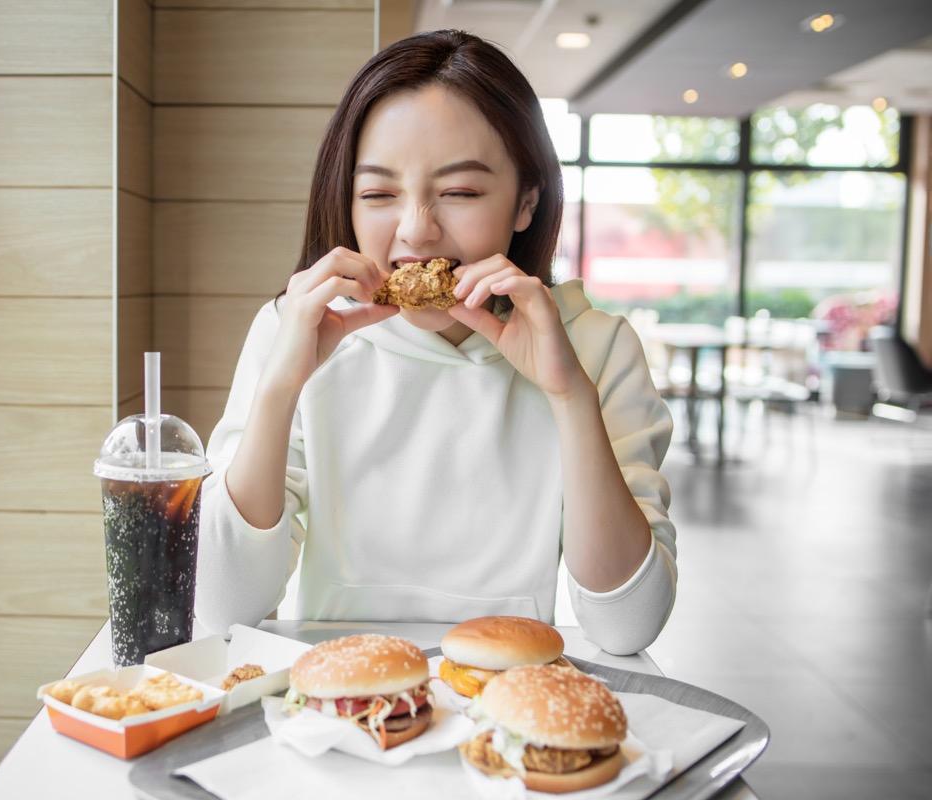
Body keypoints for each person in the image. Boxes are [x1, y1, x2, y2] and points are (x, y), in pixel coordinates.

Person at [194, 30, 676, 656]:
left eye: (461, 193)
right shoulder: (297, 330)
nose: (417, 232)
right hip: (337, 702)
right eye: (378, 195)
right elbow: (226, 606)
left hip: (505, 703)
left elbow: (627, 627)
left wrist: (568, 394)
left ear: (526, 201)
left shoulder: (595, 345)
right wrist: (282, 386)